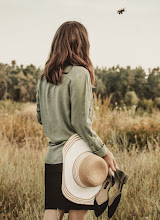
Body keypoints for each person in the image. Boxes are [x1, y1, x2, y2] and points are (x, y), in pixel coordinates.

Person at [36, 20, 118, 220]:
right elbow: (81, 123)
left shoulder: (44, 78)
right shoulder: (80, 73)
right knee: (77, 216)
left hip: (54, 156)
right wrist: (104, 152)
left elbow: (40, 117)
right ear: (82, 43)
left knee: (52, 213)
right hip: (76, 159)